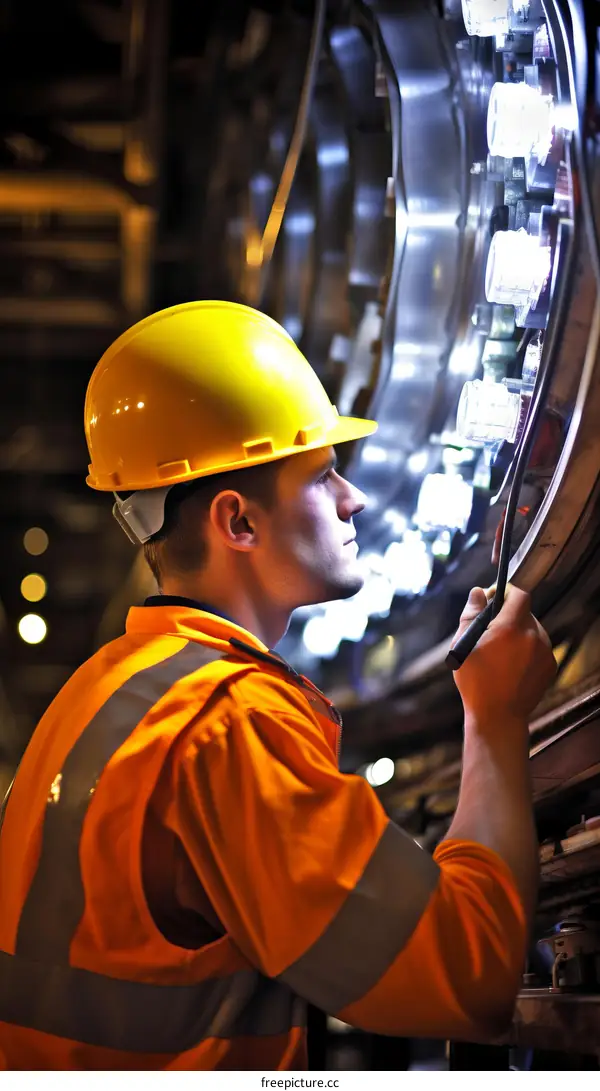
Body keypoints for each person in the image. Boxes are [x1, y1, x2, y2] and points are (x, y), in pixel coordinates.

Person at [0, 301, 556, 1070]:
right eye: (324, 474)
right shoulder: (226, 721)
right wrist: (495, 718)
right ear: (238, 522)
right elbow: (469, 977)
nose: (353, 499)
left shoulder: (100, 693)